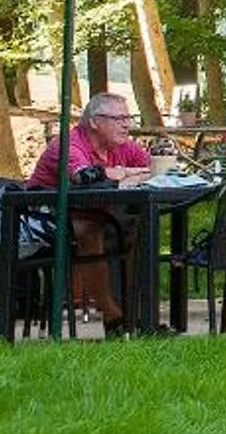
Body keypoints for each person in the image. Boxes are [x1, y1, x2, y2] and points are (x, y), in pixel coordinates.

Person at [26, 92, 152, 330]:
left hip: (93, 213)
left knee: (139, 228)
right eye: (118, 118)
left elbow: (156, 168)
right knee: (90, 230)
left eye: (128, 118)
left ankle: (136, 316)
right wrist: (125, 173)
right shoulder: (69, 144)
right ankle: (113, 313)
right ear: (94, 121)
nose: (126, 124)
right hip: (42, 218)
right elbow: (84, 177)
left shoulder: (122, 147)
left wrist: (123, 172)